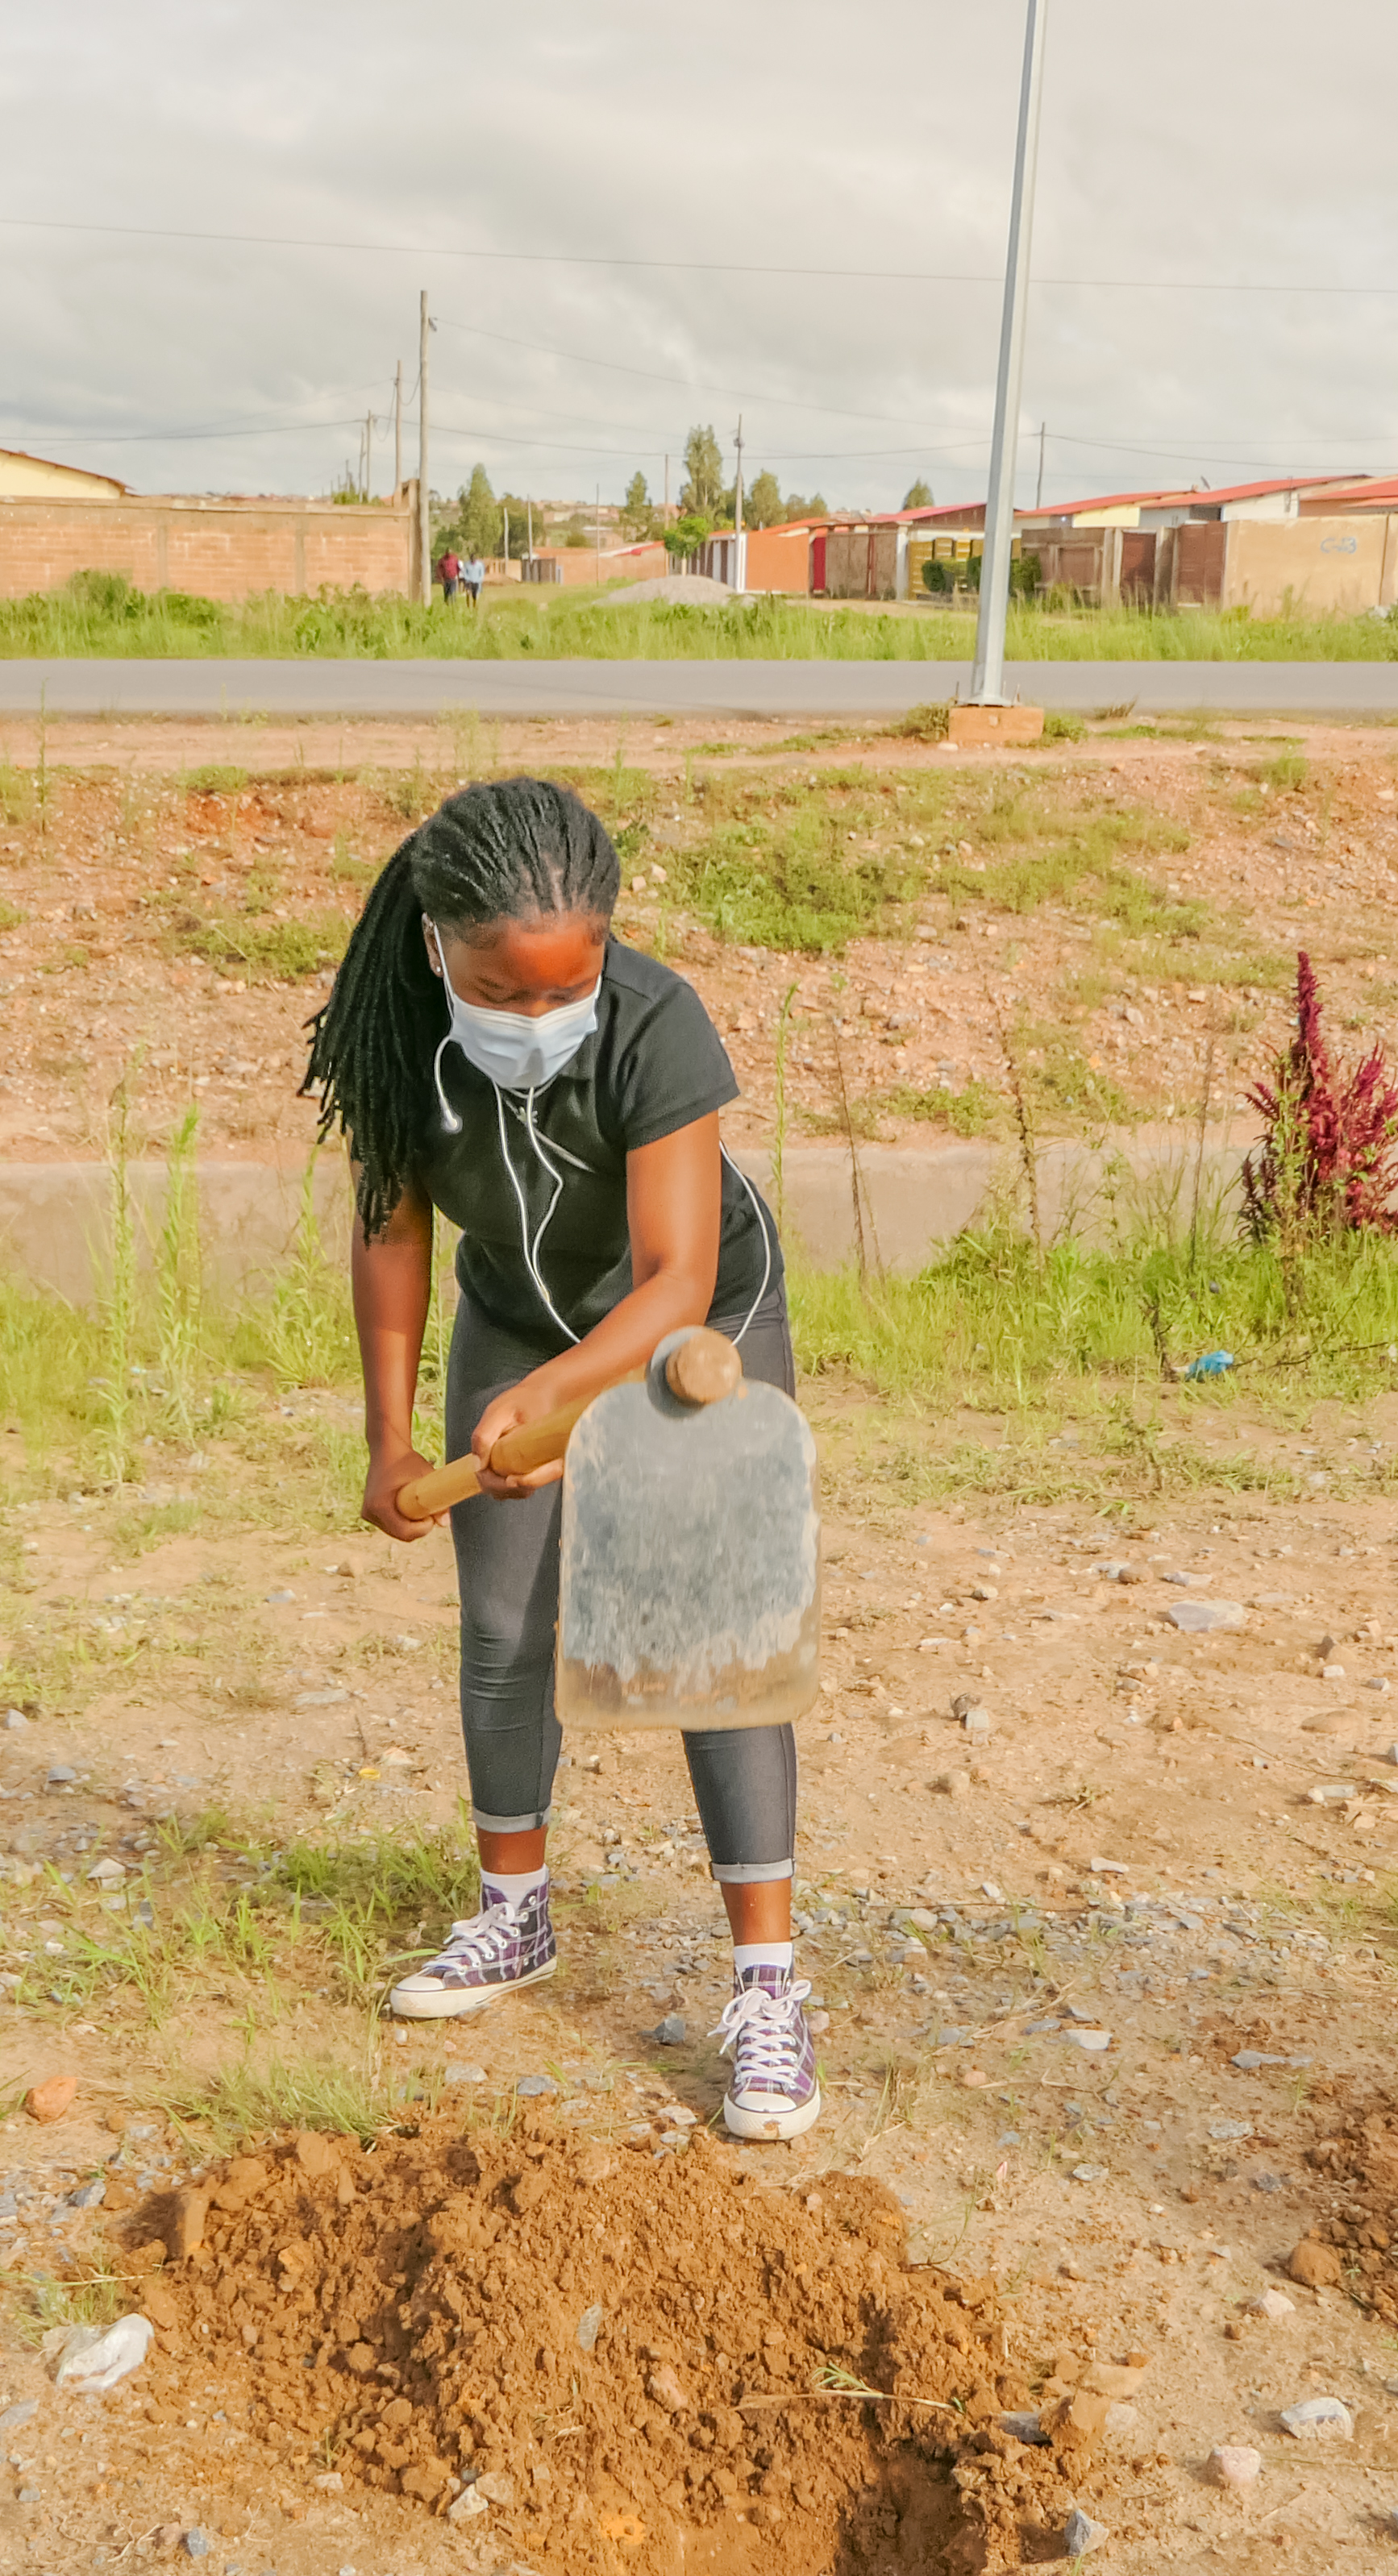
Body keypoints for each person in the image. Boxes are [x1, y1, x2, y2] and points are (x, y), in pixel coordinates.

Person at [297, 776, 815, 2141]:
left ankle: (766, 1991)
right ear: (435, 949)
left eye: (560, 991)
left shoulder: (656, 1022)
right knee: (502, 1628)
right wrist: (388, 1432)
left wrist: (562, 1395)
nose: (534, 1018)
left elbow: (674, 1271)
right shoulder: (396, 1033)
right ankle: (511, 1917)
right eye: (499, 991)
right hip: (513, 1315)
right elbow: (391, 1231)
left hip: (700, 1326)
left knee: (709, 1641)